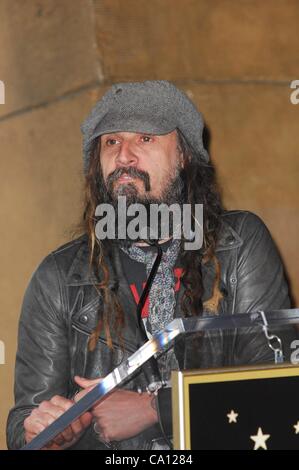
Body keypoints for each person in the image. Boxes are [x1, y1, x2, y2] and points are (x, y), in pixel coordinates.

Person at [6, 80, 295, 450]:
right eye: (111, 142)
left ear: (185, 155)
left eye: (145, 139)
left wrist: (157, 408)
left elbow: (277, 386)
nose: (124, 156)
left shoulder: (237, 245)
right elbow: (24, 423)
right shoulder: (59, 279)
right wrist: (47, 431)